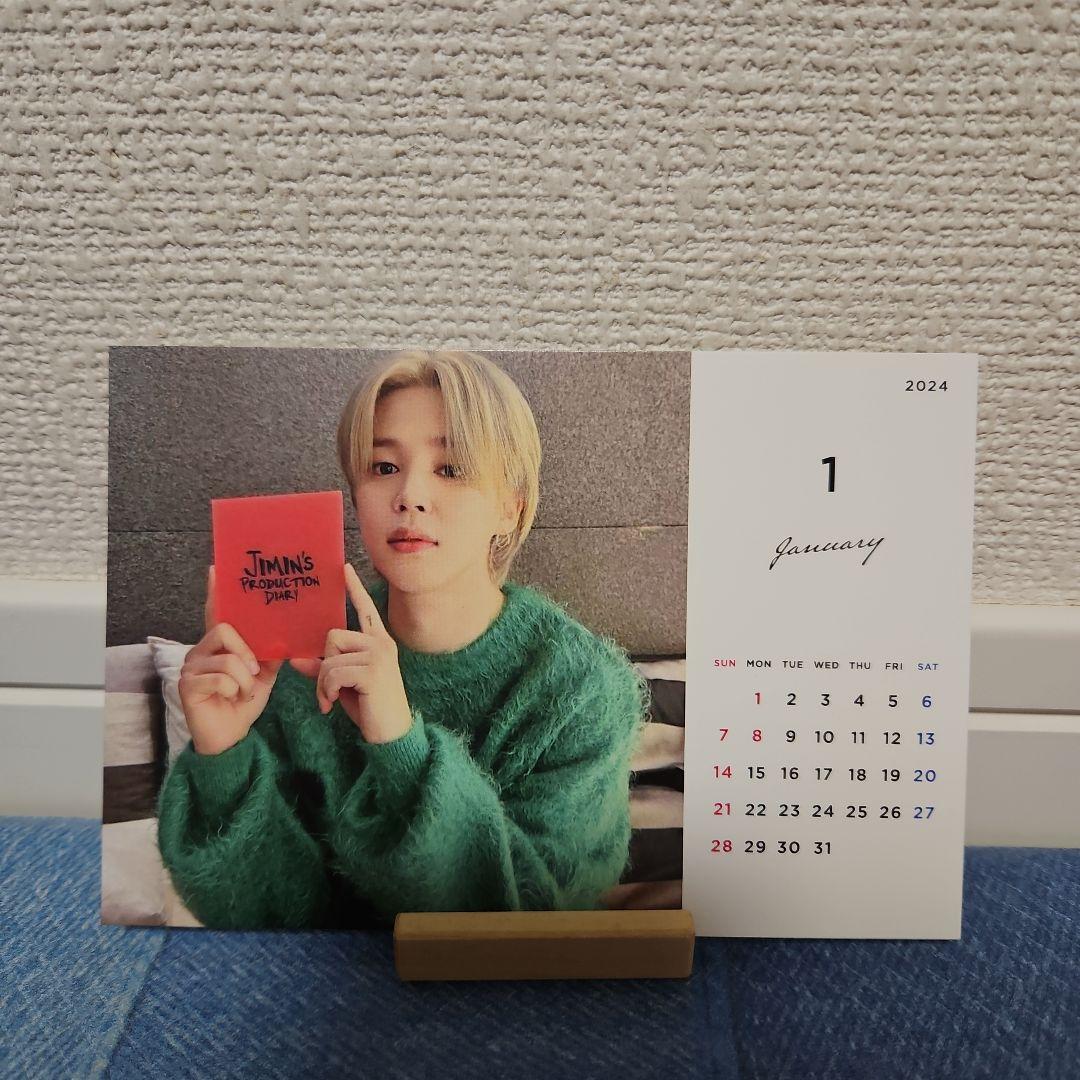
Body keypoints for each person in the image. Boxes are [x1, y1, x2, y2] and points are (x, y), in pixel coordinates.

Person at [156, 349, 651, 930]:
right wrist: (222, 757)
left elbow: (533, 925)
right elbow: (272, 923)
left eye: (451, 468)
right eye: (384, 466)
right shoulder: (296, 663)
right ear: (356, 497)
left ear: (510, 510)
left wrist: (399, 744)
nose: (409, 495)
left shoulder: (582, 689)